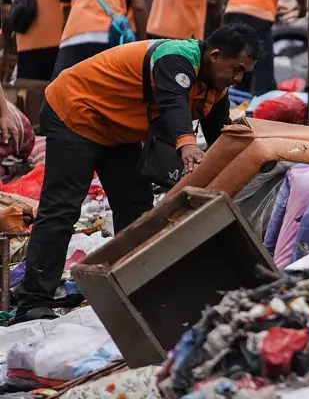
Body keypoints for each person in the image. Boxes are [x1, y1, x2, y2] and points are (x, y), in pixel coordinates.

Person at [12, 22, 260, 323]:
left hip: (117, 130)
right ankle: (34, 300)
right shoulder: (176, 57)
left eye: (243, 73)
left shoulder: (214, 88)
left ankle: (134, 287)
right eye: (236, 69)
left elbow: (221, 137)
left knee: (136, 206)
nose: (237, 78)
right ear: (215, 55)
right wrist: (186, 144)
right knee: (63, 207)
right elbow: (173, 102)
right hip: (76, 111)